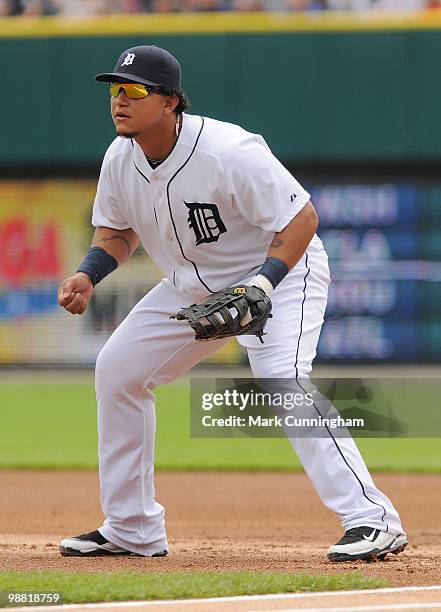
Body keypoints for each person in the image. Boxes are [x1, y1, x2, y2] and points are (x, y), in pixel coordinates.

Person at [57, 44, 407, 561]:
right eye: (115, 90)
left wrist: (263, 284)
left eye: (134, 90)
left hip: (280, 274)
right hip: (191, 287)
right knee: (117, 371)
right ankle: (132, 528)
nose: (119, 101)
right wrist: (88, 274)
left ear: (172, 101)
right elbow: (116, 232)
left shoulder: (228, 150)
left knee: (283, 381)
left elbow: (301, 218)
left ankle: (373, 520)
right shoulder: (119, 158)